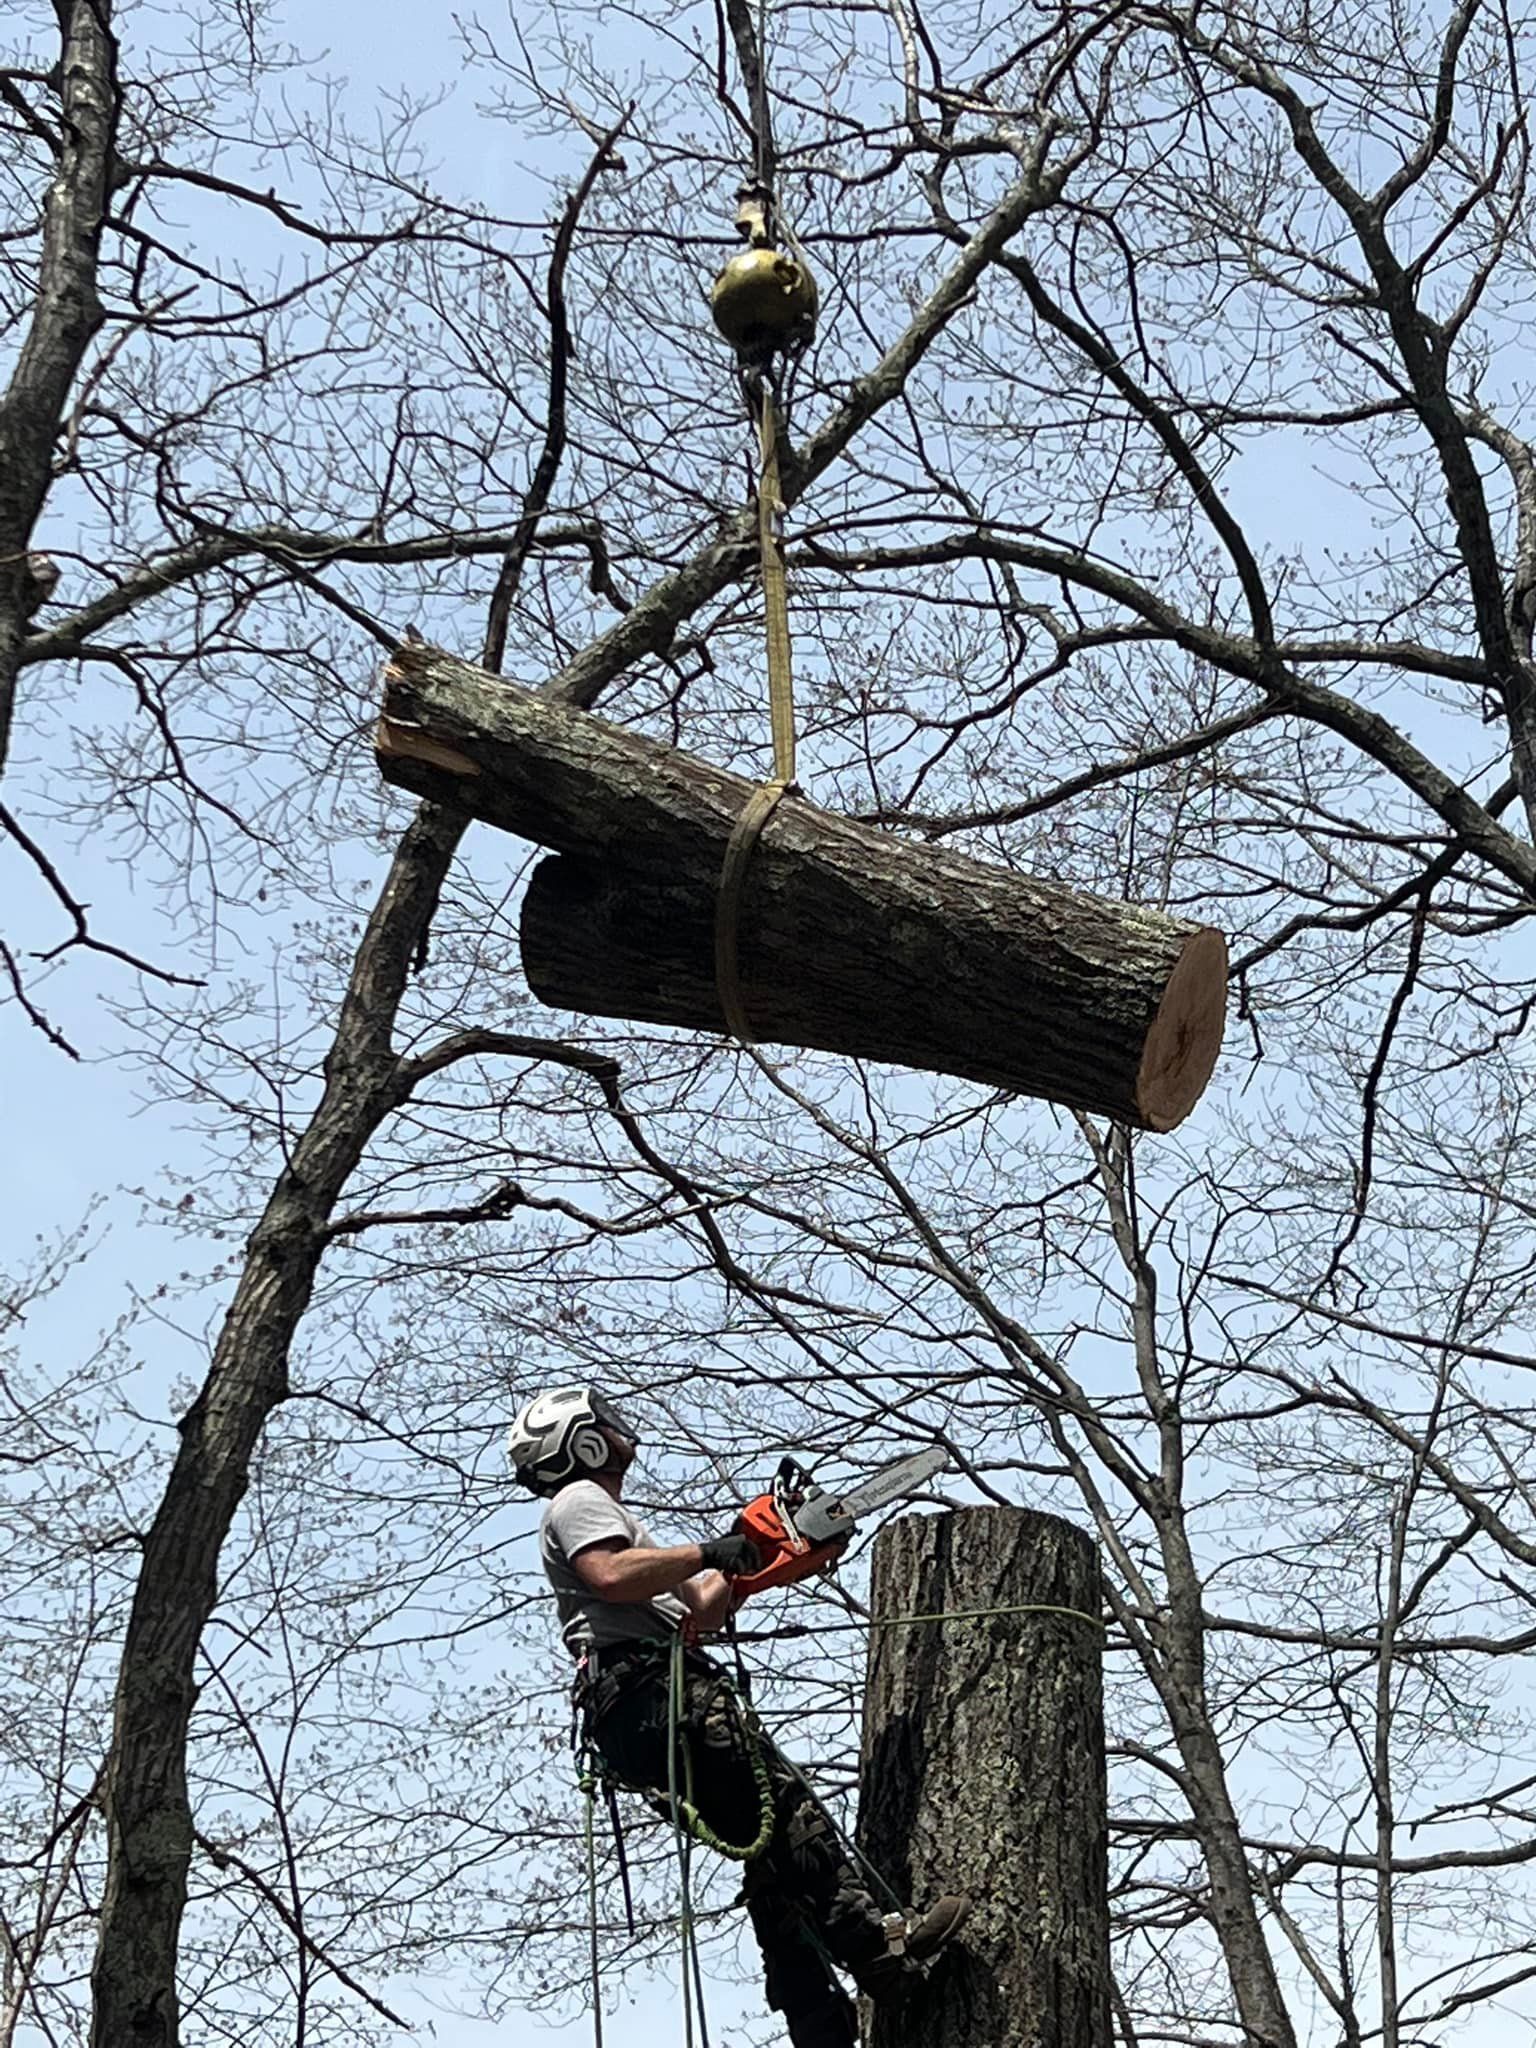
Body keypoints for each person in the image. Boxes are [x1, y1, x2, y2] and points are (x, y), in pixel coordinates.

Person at [510, 1385, 968, 2048]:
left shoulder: (615, 1521)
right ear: (580, 1442)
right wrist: (706, 1550)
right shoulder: (580, 1501)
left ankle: (817, 2020)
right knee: (788, 1813)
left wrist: (756, 1557)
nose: (617, 1430)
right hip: (654, 1695)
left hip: (643, 1705)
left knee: (773, 1859)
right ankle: (876, 1949)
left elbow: (700, 1606)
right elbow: (609, 1575)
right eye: (602, 1424)